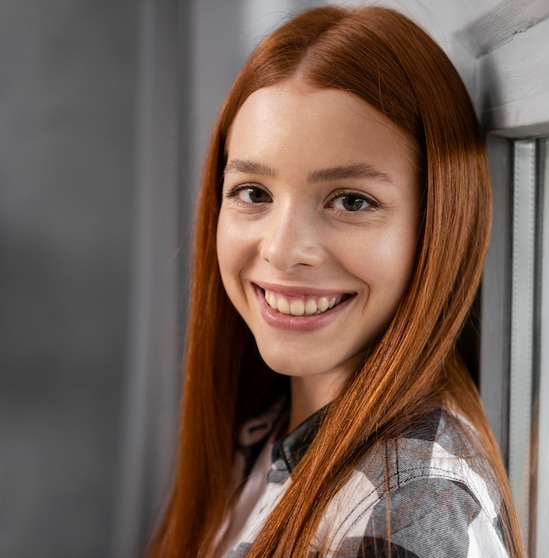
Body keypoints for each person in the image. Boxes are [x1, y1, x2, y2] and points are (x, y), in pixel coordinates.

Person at [147, 5, 524, 557]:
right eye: (254, 193)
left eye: (351, 201)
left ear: (439, 224)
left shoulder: (409, 510)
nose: (281, 249)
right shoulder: (269, 427)